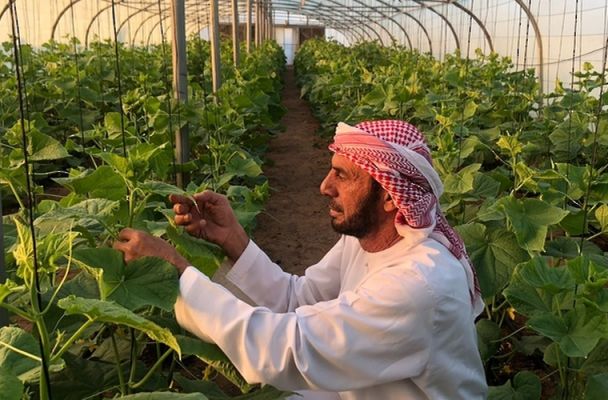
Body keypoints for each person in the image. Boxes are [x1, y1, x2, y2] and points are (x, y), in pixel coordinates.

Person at [113, 120, 487, 399]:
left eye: (342, 175)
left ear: (391, 196)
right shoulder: (371, 239)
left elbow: (288, 349)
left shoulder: (418, 285)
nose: (325, 186)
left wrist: (176, 273)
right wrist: (234, 240)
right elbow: (300, 299)